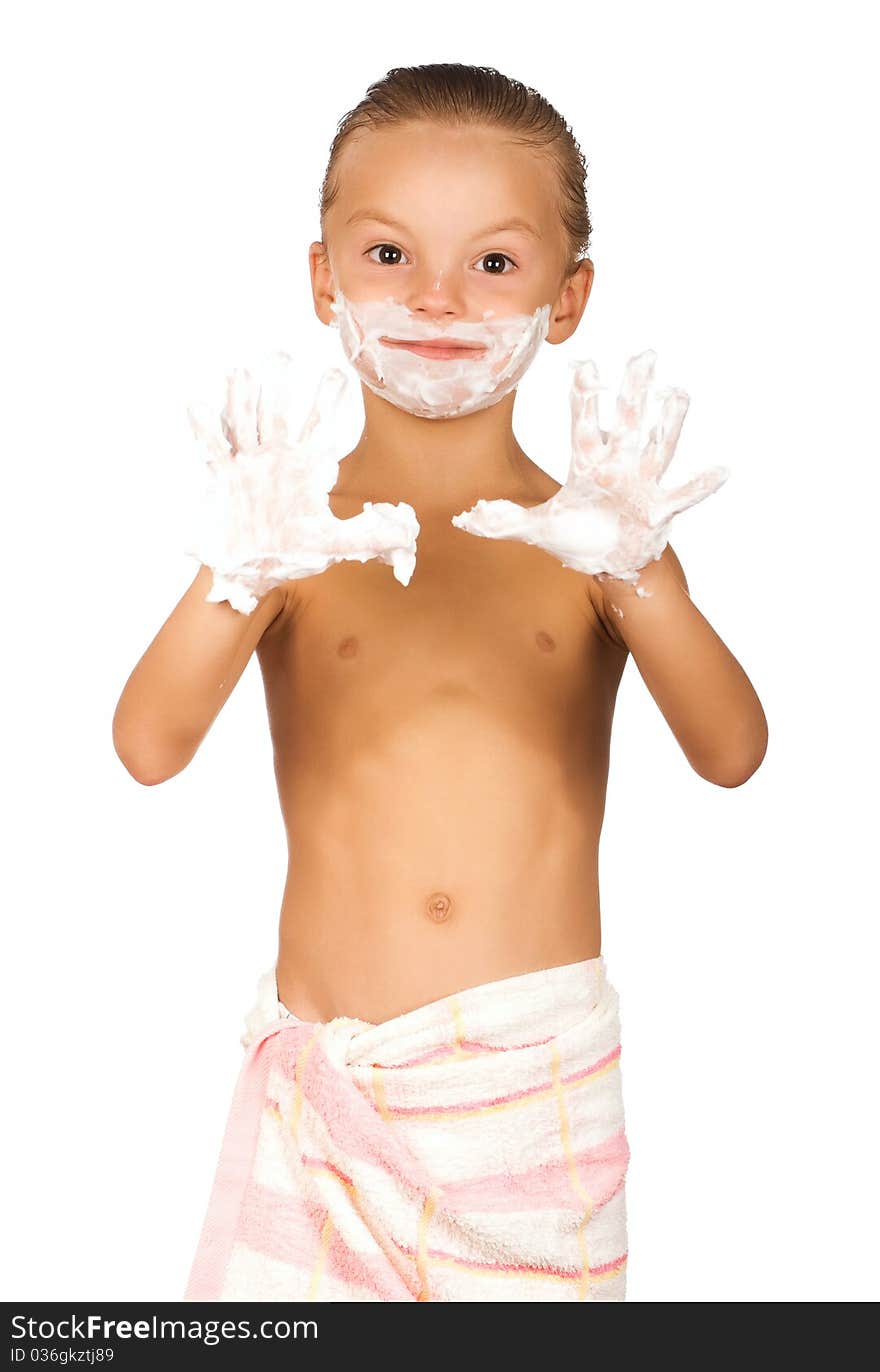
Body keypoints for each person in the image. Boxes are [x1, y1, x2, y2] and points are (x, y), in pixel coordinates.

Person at [112, 63, 768, 1302]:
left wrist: (646, 575)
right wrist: (234, 571)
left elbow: (732, 748)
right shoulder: (297, 534)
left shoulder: (594, 537)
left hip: (529, 1108)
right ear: (322, 278)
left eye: (495, 265)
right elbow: (147, 743)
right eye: (388, 253)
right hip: (334, 1106)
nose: (437, 298)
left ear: (567, 299)